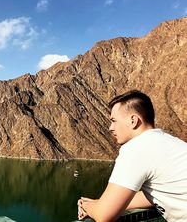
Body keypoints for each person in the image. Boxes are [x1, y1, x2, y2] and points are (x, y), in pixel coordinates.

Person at [77, 90, 187, 221]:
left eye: (114, 121)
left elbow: (104, 216)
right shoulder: (172, 143)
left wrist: (86, 206)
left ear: (133, 120)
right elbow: (155, 196)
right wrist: (101, 202)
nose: (110, 128)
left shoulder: (136, 148)